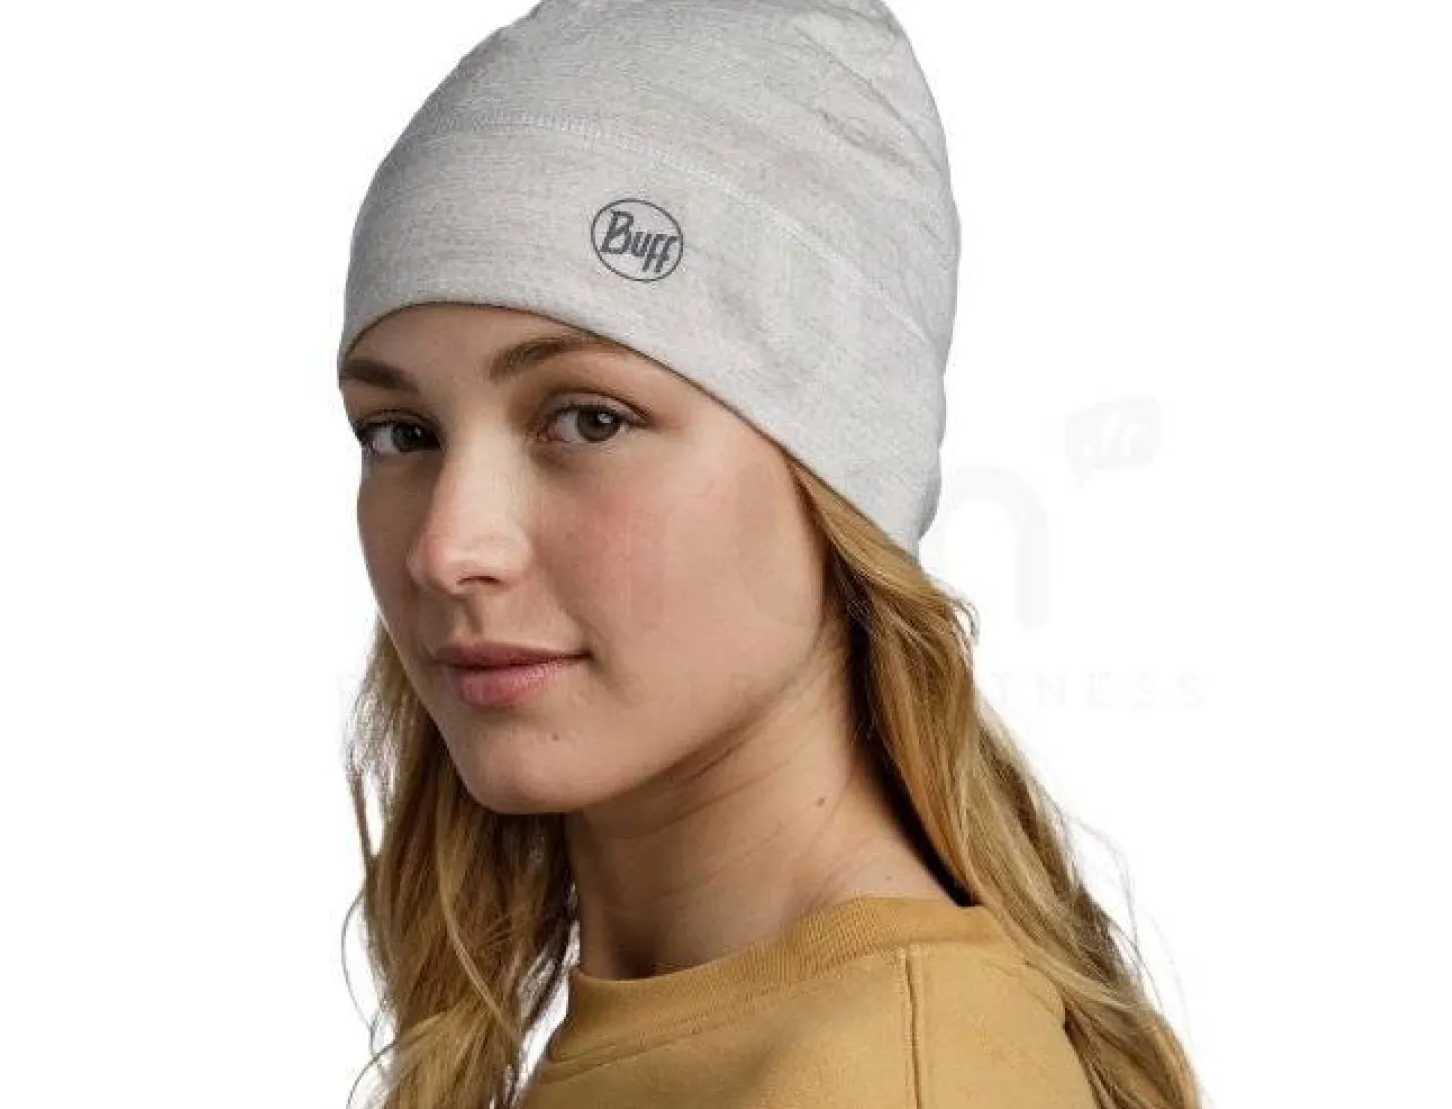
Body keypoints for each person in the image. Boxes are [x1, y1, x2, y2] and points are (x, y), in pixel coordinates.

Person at [332, 2, 1201, 1107]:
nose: (447, 547)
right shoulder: (698, 1028)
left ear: (836, 475)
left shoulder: (897, 1078)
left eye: (588, 419)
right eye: (400, 433)